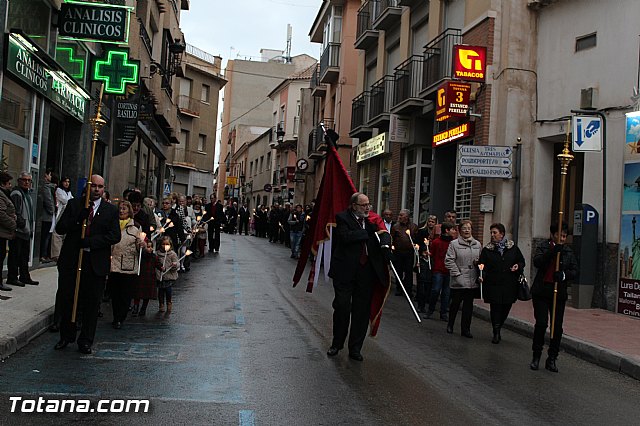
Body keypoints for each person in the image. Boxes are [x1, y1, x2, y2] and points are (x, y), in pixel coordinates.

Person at [54, 175, 120, 354]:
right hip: (72, 261)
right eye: (94, 186)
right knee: (68, 299)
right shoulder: (75, 205)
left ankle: (86, 340)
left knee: (91, 303)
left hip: (95, 264)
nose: (97, 190)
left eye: (100, 187)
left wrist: (91, 242)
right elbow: (60, 228)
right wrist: (77, 220)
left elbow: (114, 236)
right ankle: (66, 336)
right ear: (88, 187)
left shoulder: (110, 210)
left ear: (104, 189)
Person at [326, 192, 391, 362]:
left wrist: (385, 242)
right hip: (345, 271)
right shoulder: (342, 218)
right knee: (342, 307)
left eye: (369, 204)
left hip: (365, 272)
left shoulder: (371, 221)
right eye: (364, 205)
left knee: (361, 312)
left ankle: (355, 348)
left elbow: (384, 232)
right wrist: (367, 232)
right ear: (354, 206)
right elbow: (346, 237)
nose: (367, 208)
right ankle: (336, 343)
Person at [529, 222, 578, 372]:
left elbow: (575, 270)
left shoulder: (568, 251)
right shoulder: (544, 247)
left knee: (557, 328)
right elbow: (537, 262)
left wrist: (563, 275)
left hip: (558, 293)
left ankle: (552, 358)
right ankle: (536, 356)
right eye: (560, 235)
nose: (562, 238)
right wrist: (552, 252)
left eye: (564, 236)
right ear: (553, 235)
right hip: (542, 292)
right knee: (542, 323)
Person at [478, 223, 526, 344]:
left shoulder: (512, 248)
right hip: (493, 284)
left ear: (502, 234)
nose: (492, 235)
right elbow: (482, 265)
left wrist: (518, 266)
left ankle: (499, 325)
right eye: (491, 233)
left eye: (495, 233)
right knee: (495, 308)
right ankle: (496, 331)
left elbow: (521, 261)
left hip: (509, 284)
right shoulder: (487, 250)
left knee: (506, 307)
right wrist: (482, 275)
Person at [109, 200, 143, 329]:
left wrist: (142, 245)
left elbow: (140, 242)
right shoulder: (112, 224)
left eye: (124, 208)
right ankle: (115, 315)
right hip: (113, 263)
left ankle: (120, 318)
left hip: (128, 264)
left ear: (129, 211)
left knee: (125, 294)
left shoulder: (136, 227)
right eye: (120, 208)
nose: (122, 211)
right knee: (115, 293)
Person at [445, 220, 481, 338]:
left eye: (468, 228)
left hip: (472, 280)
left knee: (468, 306)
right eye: (464, 228)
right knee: (455, 304)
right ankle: (450, 324)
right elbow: (449, 261)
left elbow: (481, 261)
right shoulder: (454, 244)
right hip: (459, 279)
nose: (466, 230)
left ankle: (466, 329)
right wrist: (457, 274)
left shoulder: (477, 245)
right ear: (460, 231)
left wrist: (479, 265)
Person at [7, 172, 38, 287]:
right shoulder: (17, 193)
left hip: (26, 230)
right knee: (15, 255)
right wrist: (23, 225)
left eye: (29, 180)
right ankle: (12, 277)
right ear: (19, 181)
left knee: (24, 255)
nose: (27, 182)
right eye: (24, 180)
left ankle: (25, 276)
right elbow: (16, 212)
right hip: (19, 230)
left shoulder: (27, 194)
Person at [425, 222, 455, 320]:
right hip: (438, 269)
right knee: (435, 290)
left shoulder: (453, 243)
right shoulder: (437, 242)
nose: (454, 232)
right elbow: (432, 254)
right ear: (447, 230)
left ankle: (443, 313)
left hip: (449, 270)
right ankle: (430, 310)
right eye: (452, 229)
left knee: (446, 293)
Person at [390, 209, 418, 296]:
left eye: (401, 215)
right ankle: (399, 288)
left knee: (408, 271)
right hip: (398, 252)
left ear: (407, 216)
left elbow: (416, 239)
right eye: (399, 215)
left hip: (409, 253)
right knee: (399, 271)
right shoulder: (395, 227)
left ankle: (408, 290)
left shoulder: (413, 226)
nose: (399, 217)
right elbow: (392, 239)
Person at [0, 172, 16, 292]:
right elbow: (1, 214)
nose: (10, 186)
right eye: (9, 183)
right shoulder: (1, 195)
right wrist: (13, 222)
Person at [51, 176, 73, 262]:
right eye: (65, 181)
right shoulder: (59, 190)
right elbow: (65, 201)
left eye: (68, 182)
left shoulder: (69, 192)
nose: (67, 183)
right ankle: (55, 254)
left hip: (66, 215)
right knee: (56, 234)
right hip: (59, 214)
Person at [156, 236, 179, 314]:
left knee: (168, 291)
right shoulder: (157, 254)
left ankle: (169, 302)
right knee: (160, 292)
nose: (165, 246)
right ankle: (161, 304)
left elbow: (177, 264)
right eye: (163, 244)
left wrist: (174, 265)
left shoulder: (172, 254)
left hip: (169, 276)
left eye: (167, 244)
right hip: (160, 276)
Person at [39, 169, 56, 263]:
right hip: (47, 216)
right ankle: (43, 255)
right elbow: (48, 201)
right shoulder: (46, 188)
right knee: (45, 236)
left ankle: (45, 254)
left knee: (48, 236)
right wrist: (52, 210)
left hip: (50, 216)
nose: (49, 177)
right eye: (48, 175)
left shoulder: (50, 188)